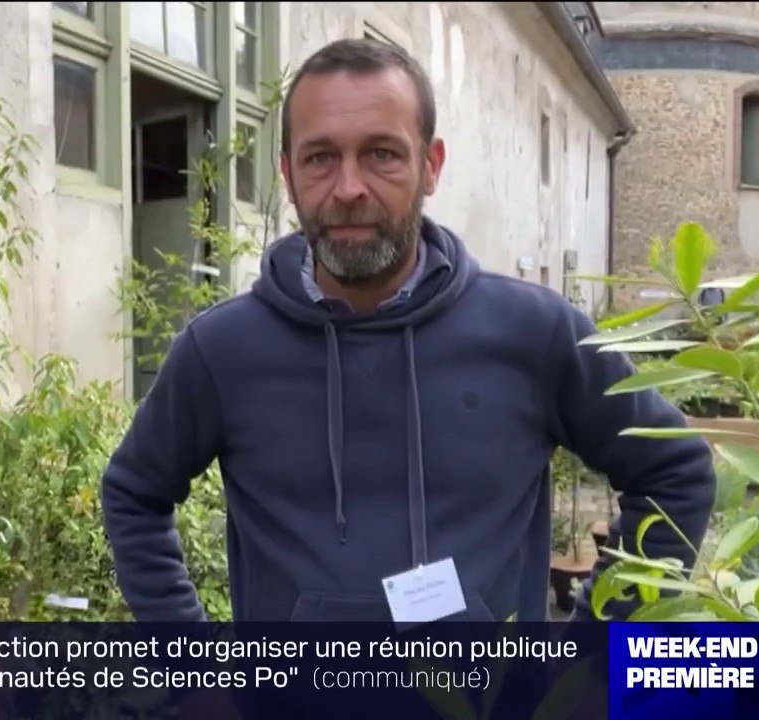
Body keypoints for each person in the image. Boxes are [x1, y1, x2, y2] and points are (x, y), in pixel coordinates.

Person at [101, 38, 718, 625]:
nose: (348, 188)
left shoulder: (537, 333)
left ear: (431, 166)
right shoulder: (223, 351)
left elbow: (674, 473)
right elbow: (134, 494)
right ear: (288, 175)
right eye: (321, 157)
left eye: (382, 154)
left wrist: (594, 660)